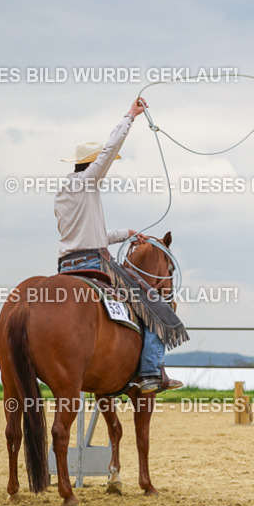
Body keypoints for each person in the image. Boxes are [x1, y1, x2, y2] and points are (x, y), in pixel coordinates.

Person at [54, 97, 183, 394]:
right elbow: (110, 150)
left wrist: (127, 233)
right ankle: (150, 372)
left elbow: (90, 233)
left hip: (66, 265)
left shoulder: (63, 192)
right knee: (155, 305)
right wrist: (130, 116)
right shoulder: (88, 182)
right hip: (94, 264)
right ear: (90, 164)